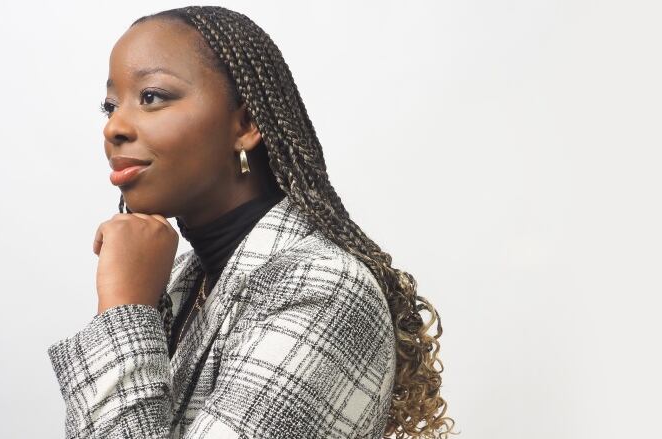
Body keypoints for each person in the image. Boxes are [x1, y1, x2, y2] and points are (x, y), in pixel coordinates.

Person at [47, 6, 455, 439]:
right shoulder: (187, 284)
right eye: (109, 105)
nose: (115, 127)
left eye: (151, 96)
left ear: (245, 123)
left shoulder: (323, 291)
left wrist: (124, 310)